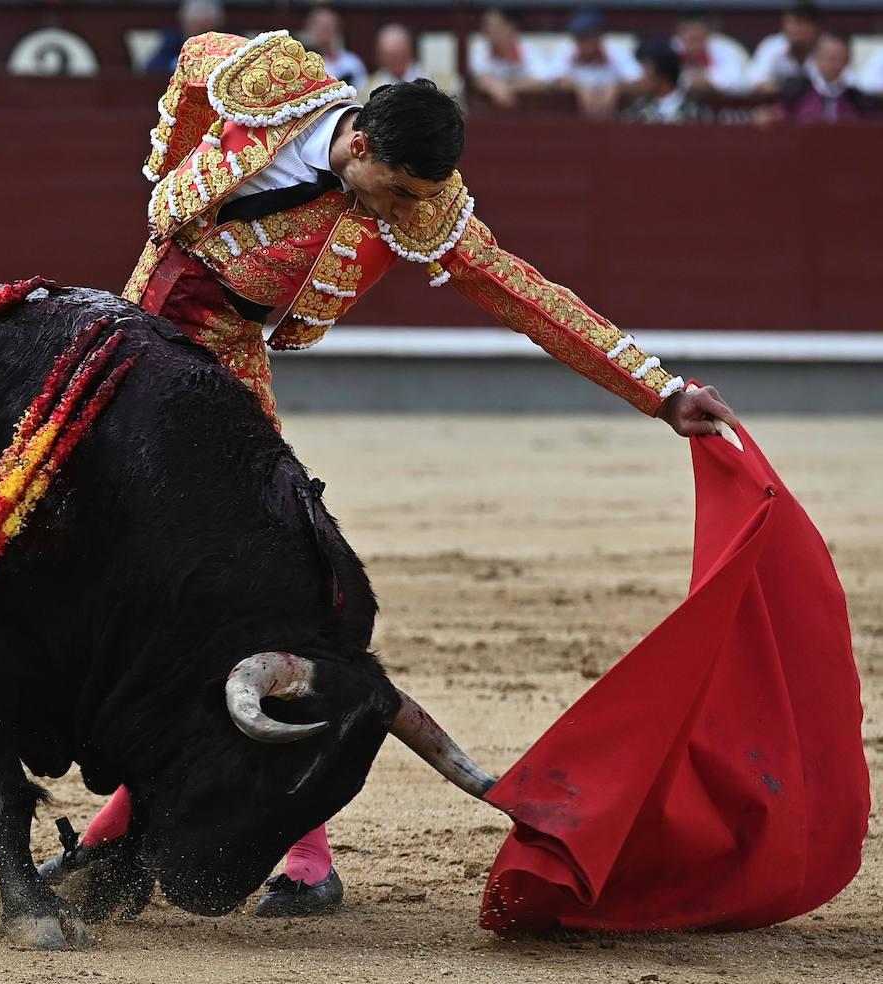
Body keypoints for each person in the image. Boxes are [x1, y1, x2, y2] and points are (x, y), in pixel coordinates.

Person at [38, 28, 739, 920]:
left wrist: (659, 389)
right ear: (359, 141)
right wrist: (173, 176)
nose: (407, 210)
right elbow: (193, 61)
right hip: (131, 338)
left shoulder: (420, 207)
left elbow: (521, 290)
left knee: (251, 595)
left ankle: (291, 849)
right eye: (399, 190)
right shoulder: (268, 82)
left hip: (223, 370)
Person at [544, 7, 642, 119]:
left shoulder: (616, 53)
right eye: (577, 37)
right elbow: (549, 81)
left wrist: (617, 87)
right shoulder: (566, 51)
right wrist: (576, 86)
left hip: (615, 119)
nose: (581, 43)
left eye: (586, 37)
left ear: (599, 36)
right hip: (572, 120)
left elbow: (639, 81)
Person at [767, 30, 875, 123]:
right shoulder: (796, 93)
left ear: (847, 61)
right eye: (829, 58)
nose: (833, 65)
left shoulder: (857, 101)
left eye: (839, 58)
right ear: (815, 57)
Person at [466, 6, 549, 110]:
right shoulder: (479, 52)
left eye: (495, 26)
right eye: (486, 26)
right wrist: (492, 85)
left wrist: (506, 87)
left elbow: (542, 82)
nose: (488, 31)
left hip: (526, 113)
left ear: (511, 27)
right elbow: (478, 78)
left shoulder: (529, 52)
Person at [621, 39, 714, 123]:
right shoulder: (635, 110)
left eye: (645, 68)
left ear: (662, 72)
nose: (641, 76)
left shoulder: (697, 111)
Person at [745, 0, 822, 96]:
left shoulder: (826, 48)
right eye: (789, 23)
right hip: (779, 105)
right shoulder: (772, 45)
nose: (793, 29)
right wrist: (787, 94)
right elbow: (755, 81)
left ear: (816, 27)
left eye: (800, 23)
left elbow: (836, 84)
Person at [671, 9, 746, 98]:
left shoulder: (725, 48)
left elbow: (737, 82)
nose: (694, 45)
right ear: (680, 35)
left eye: (698, 38)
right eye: (691, 39)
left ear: (707, 34)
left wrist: (708, 81)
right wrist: (687, 81)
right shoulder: (670, 49)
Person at [143, 0, 225, 76]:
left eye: (207, 29)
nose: (201, 36)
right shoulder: (173, 41)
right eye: (195, 25)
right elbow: (153, 67)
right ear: (184, 24)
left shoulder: (227, 43)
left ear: (217, 25)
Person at [301, 5, 366, 92]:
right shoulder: (303, 65)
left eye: (328, 26)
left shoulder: (352, 62)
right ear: (309, 27)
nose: (323, 30)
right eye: (319, 25)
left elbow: (363, 92)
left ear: (337, 27)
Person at [364, 23, 422, 92]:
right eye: (388, 57)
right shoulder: (370, 87)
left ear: (411, 53)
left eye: (399, 56)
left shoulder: (434, 80)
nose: (394, 62)